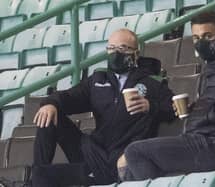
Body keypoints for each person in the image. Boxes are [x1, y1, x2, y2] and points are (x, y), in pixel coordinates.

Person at [121, 11, 215, 181]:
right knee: (129, 170)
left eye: (207, 36)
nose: (200, 42)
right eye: (196, 38)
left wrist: (202, 116)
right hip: (204, 139)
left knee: (135, 152)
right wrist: (193, 108)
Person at [32, 29, 176, 187]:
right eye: (111, 48)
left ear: (135, 53)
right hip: (91, 153)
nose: (115, 53)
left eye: (122, 48)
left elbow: (174, 108)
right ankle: (38, 176)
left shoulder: (152, 82)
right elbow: (70, 97)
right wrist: (50, 103)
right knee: (49, 113)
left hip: (119, 160)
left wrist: (151, 106)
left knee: (45, 178)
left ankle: (42, 180)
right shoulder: (98, 79)